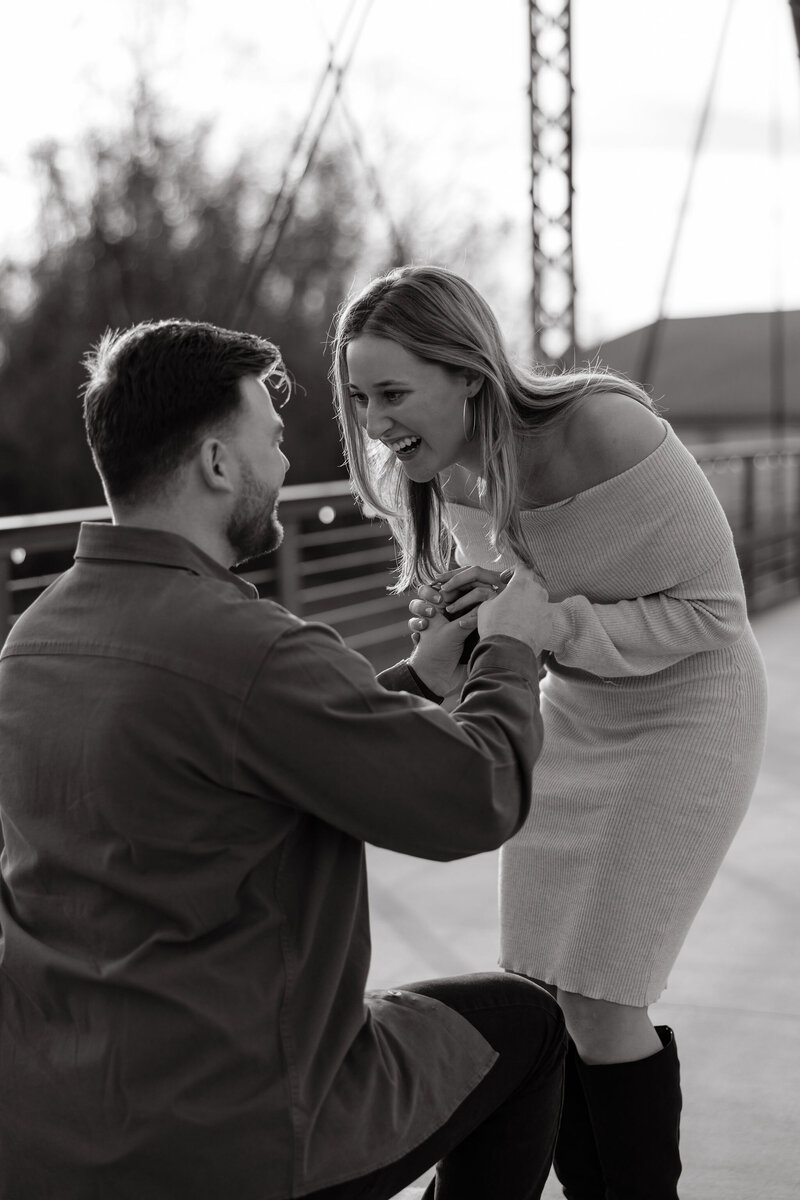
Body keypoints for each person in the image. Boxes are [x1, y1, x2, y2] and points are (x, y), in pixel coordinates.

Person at [0, 319, 568, 1200]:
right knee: (526, 1025)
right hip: (235, 1135)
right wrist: (510, 652)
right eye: (271, 441)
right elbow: (476, 796)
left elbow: (236, 753)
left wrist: (416, 680)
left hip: (47, 1130)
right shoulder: (251, 647)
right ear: (218, 465)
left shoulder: (31, 640)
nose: (286, 467)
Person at [330, 265, 769, 1200]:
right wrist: (484, 616)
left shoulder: (606, 427)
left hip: (688, 714)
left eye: (393, 394)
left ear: (469, 375)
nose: (374, 422)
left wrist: (546, 625)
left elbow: (713, 614)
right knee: (543, 994)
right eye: (361, 397)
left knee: (606, 1004)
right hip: (571, 717)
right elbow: (534, 603)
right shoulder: (447, 470)